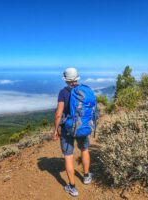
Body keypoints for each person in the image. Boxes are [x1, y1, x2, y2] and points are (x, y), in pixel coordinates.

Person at [53, 67, 93, 197]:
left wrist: (56, 130)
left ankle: (72, 187)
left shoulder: (63, 92)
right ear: (77, 78)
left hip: (68, 128)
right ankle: (86, 177)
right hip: (82, 126)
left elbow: (58, 114)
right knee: (84, 150)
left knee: (68, 156)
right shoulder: (84, 90)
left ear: (66, 79)